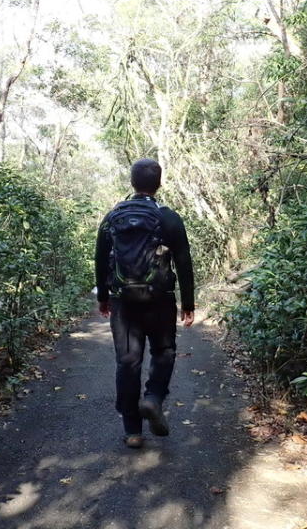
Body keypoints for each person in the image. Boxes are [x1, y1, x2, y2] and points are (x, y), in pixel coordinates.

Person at [94, 158, 195, 449]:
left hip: (123, 302)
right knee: (164, 351)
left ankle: (133, 431)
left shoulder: (113, 216)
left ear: (132, 182)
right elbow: (183, 262)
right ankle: (152, 398)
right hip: (160, 300)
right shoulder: (169, 217)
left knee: (127, 362)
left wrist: (103, 297)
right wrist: (187, 302)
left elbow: (101, 260)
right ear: (159, 183)